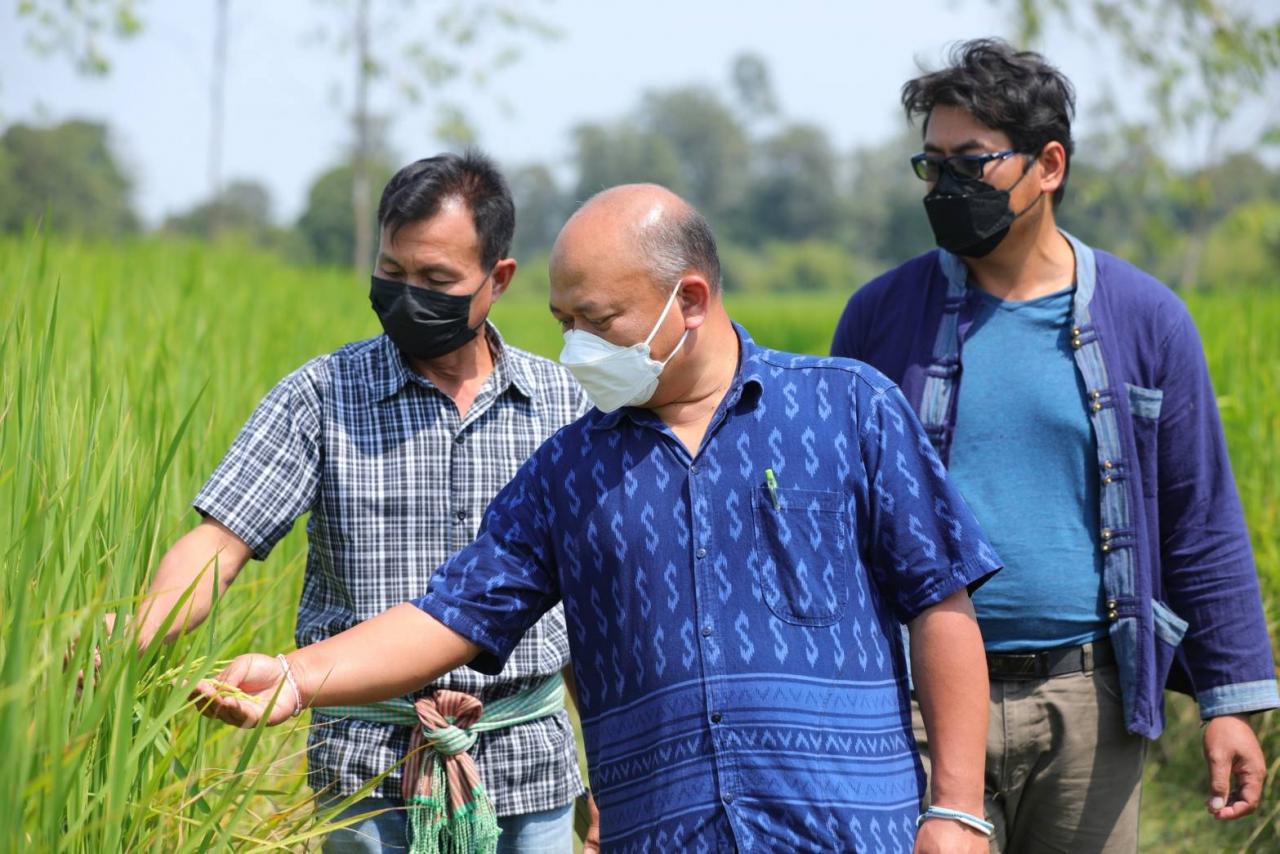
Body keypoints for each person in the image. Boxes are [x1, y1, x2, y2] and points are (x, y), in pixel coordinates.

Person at [194, 182, 1003, 854]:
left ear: (687, 300)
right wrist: (299, 678)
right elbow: (450, 615)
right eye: (563, 324)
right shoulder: (570, 468)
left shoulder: (849, 409)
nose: (576, 348)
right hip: (664, 835)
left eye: (598, 320)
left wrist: (958, 808)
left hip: (853, 830)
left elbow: (939, 603)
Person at [831, 38, 1279, 853]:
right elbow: (832, 517)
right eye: (931, 164)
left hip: (1087, 702)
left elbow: (1199, 517)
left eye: (971, 162)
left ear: (1048, 165)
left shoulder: (1146, 320)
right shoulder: (881, 318)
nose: (945, 187)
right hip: (916, 705)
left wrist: (1228, 700)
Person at [123, 151, 589, 852]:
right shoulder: (321, 396)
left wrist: (608, 782)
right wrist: (135, 631)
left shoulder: (562, 405)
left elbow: (591, 604)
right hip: (368, 776)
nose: (408, 295)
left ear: (498, 279)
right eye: (392, 272)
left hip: (529, 771)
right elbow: (219, 544)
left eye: (436, 280)